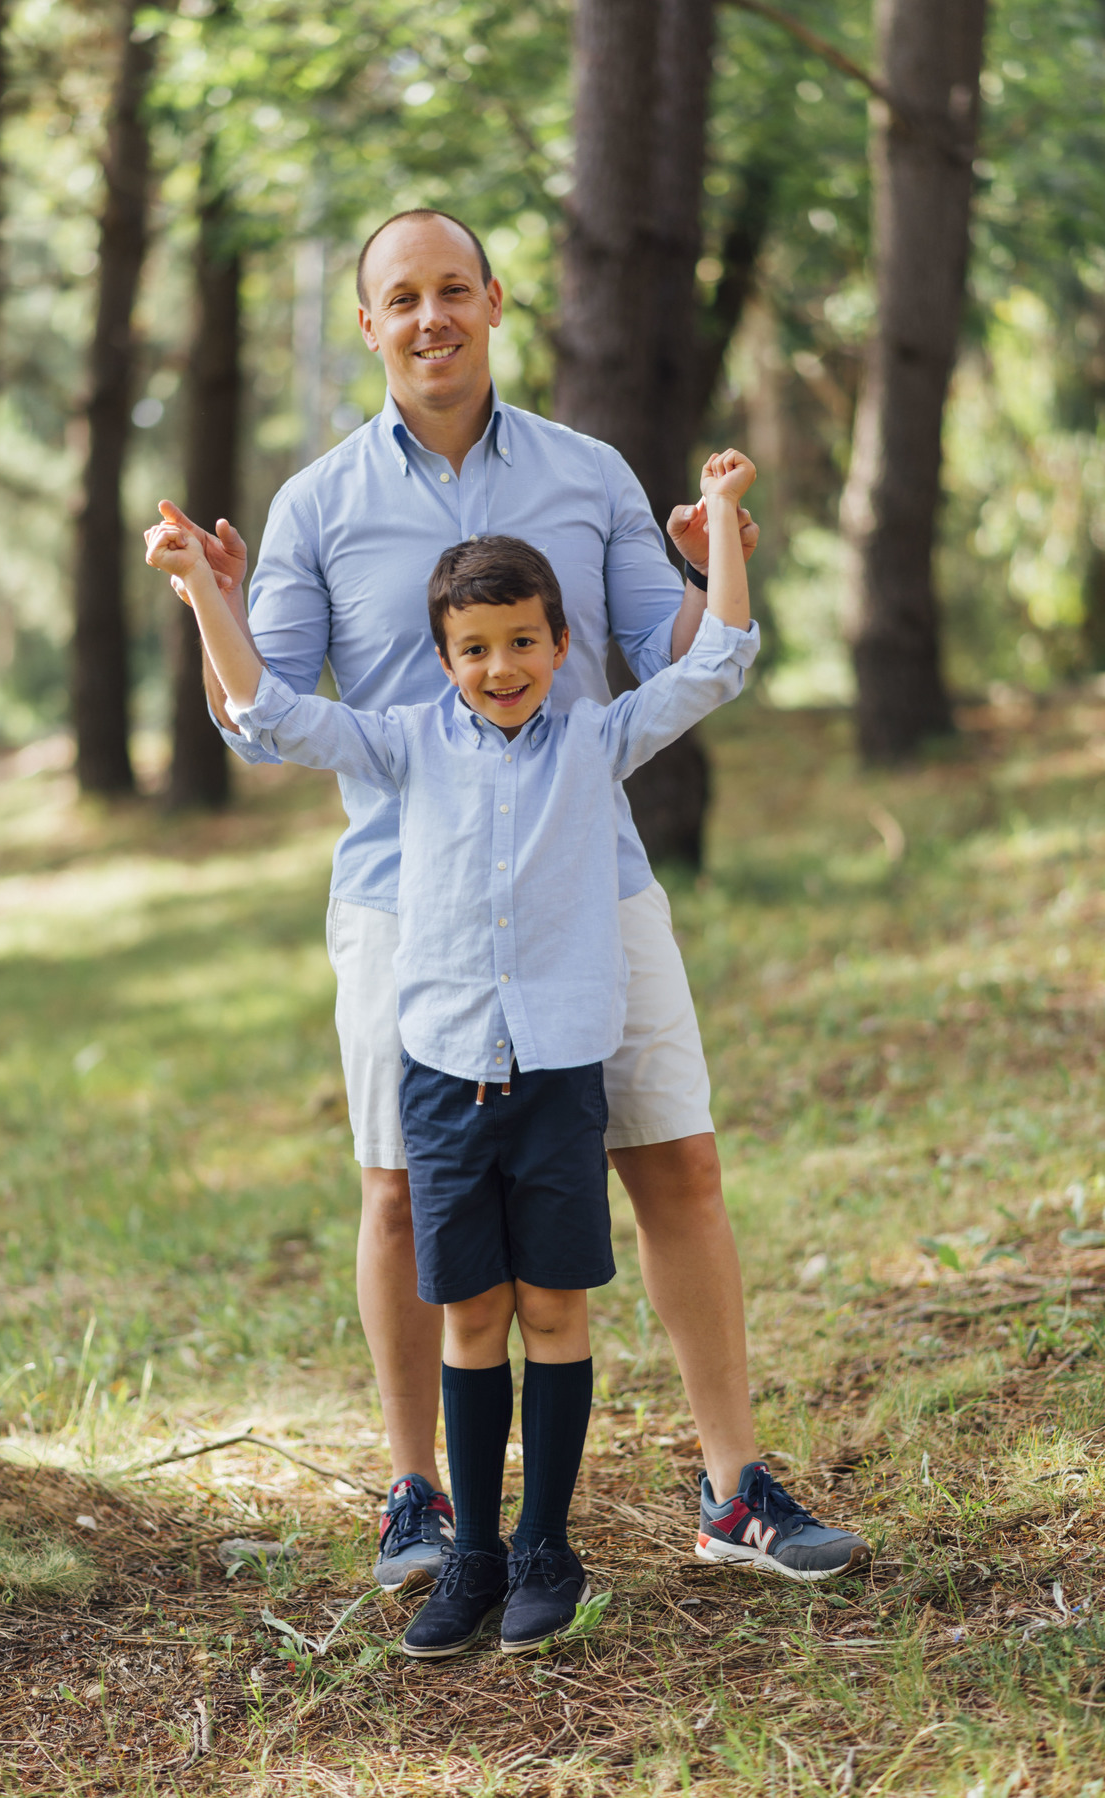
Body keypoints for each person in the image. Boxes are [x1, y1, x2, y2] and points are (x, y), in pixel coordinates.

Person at [149, 207, 871, 1590]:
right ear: (368, 325)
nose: (430, 317)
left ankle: (736, 1489)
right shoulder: (319, 505)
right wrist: (215, 601)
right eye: (400, 297)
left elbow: (669, 659)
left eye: (452, 290)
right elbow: (267, 717)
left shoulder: (587, 471)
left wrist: (713, 558)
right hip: (401, 907)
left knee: (680, 1163)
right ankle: (417, 1491)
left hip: (589, 882)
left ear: (495, 300)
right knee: (403, 1194)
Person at [145, 446, 759, 1658]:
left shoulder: (599, 741)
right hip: (442, 1064)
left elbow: (723, 658)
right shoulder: (402, 745)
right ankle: (471, 1554)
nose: (501, 668)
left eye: (525, 643)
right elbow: (266, 714)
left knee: (555, 1307)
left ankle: (548, 1547)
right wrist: (203, 593)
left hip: (560, 1063)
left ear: (560, 645)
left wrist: (725, 526)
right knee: (473, 1310)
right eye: (475, 649)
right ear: (440, 659)